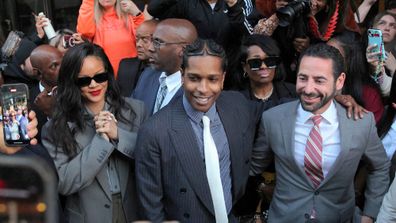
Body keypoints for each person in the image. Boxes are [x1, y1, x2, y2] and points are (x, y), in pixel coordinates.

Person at [250, 43, 389, 223]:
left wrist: (369, 215)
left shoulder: (361, 122)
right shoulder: (273, 120)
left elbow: (379, 167)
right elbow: (252, 167)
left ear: (339, 81)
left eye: (319, 80)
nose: (308, 89)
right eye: (303, 78)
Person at [135, 38, 261, 222]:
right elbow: (151, 208)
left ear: (223, 78)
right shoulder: (155, 131)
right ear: (182, 74)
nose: (203, 89)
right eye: (194, 78)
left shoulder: (237, 106)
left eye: (212, 79)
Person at [41, 43, 147, 223]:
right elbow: (65, 183)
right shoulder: (56, 127)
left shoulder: (136, 110)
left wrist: (118, 135)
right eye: (84, 80)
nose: (94, 85)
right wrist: (101, 142)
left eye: (100, 76)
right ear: (72, 81)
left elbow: (151, 160)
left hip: (135, 212)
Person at [132, 18, 197, 115]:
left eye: (158, 43)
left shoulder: (197, 90)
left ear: (183, 50)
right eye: (152, 41)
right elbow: (131, 118)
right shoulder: (147, 75)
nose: (150, 48)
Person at [77, 0, 145, 76]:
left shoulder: (128, 14)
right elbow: (85, 32)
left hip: (132, 74)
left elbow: (144, 39)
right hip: (106, 76)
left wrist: (136, 13)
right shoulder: (93, 18)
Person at [328, 31, 384, 123]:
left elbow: (370, 133)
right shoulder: (316, 80)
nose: (322, 57)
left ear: (350, 62)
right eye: (323, 50)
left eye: (332, 55)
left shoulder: (369, 95)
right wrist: (334, 97)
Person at [29, 44, 63, 142]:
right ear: (38, 73)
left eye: (63, 62)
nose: (63, 69)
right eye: (54, 66)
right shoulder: (29, 103)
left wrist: (52, 112)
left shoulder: (77, 89)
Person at [117, 19, 159, 96]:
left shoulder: (166, 73)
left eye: (145, 40)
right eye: (137, 39)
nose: (138, 44)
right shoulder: (125, 66)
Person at [366, 11, 396, 97]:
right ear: (372, 27)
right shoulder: (360, 51)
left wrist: (394, 68)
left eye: (392, 26)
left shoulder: (391, 57)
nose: (387, 28)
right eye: (382, 23)